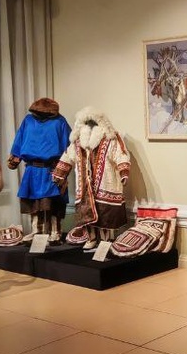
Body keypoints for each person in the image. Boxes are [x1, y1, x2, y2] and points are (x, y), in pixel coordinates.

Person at [53, 108, 130, 251]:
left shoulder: (111, 138)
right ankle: (92, 238)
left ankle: (105, 241)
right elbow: (68, 156)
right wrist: (59, 174)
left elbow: (121, 154)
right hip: (84, 186)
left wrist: (124, 172)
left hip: (106, 184)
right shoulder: (77, 142)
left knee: (105, 214)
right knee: (86, 213)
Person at [7, 98, 72, 242]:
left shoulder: (59, 121)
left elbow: (68, 145)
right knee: (34, 202)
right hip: (32, 169)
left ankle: (55, 232)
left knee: (54, 202)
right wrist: (15, 158)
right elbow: (19, 139)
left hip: (53, 169)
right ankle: (37, 231)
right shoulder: (28, 120)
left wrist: (64, 167)